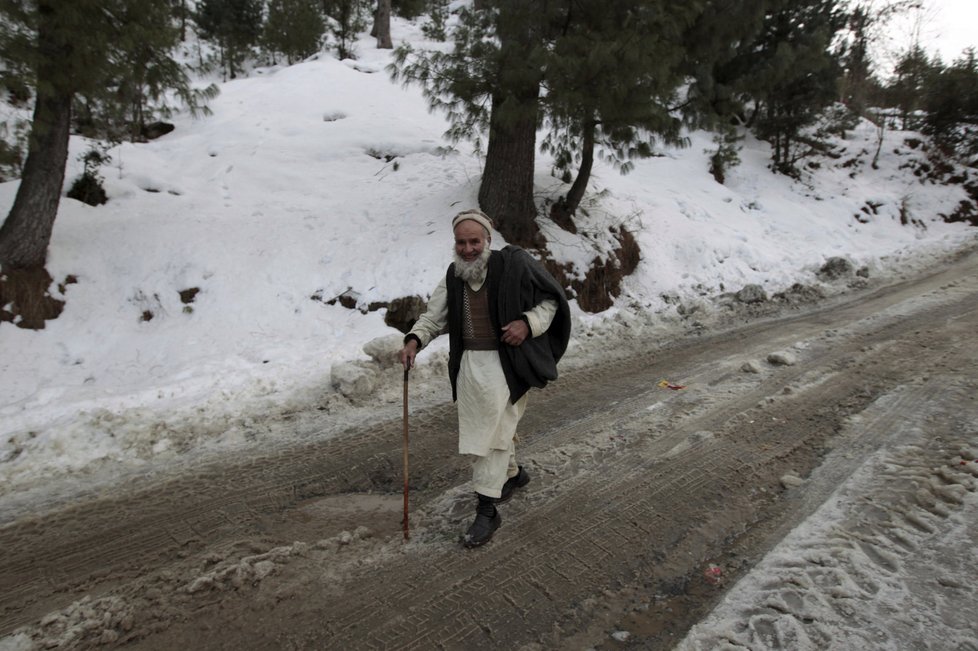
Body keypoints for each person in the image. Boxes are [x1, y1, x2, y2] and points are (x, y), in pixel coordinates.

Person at [399, 208, 571, 548]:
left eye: (474, 241)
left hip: (509, 364)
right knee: (497, 427)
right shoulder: (453, 276)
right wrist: (414, 340)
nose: (467, 249)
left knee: (490, 434)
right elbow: (433, 318)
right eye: (461, 243)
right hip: (469, 368)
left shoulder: (514, 265)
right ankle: (513, 475)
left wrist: (527, 323)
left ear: (487, 240)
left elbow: (550, 300)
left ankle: (487, 509)